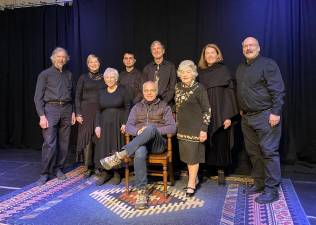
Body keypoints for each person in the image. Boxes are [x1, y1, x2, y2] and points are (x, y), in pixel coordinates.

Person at [99, 81, 176, 210]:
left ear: (156, 92)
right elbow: (128, 126)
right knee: (140, 150)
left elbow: (172, 128)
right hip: (140, 144)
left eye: (152, 90)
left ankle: (121, 154)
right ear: (143, 92)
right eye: (146, 90)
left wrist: (151, 130)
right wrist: (137, 131)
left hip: (158, 145)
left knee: (150, 127)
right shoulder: (136, 107)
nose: (149, 93)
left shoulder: (164, 106)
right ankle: (141, 192)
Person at [236, 37, 285, 204]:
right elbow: (242, 90)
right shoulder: (241, 68)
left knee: (269, 152)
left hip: (266, 115)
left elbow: (278, 90)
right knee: (254, 153)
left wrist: (276, 112)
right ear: (242, 49)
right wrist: (242, 108)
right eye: (245, 46)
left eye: (252, 45)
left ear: (258, 48)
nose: (248, 48)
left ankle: (272, 190)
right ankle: (259, 183)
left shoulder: (268, 64)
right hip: (247, 117)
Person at [34, 47, 76, 185]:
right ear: (53, 58)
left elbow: (73, 95)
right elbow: (37, 98)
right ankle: (45, 173)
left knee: (64, 143)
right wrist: (41, 116)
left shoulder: (69, 74)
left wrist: (73, 112)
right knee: (50, 143)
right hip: (50, 109)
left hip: (66, 109)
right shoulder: (44, 74)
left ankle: (59, 169)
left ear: (66, 59)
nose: (61, 59)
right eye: (58, 56)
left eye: (63, 57)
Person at [198, 44, 239, 184]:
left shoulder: (224, 70)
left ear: (217, 55)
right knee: (206, 140)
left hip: (222, 111)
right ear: (204, 57)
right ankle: (207, 169)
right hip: (206, 112)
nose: (209, 55)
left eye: (212, 52)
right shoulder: (201, 73)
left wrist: (229, 116)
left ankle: (221, 170)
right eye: (207, 53)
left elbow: (231, 94)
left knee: (221, 140)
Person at [175, 60, 211, 197]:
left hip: (195, 129)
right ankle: (194, 178)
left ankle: (191, 183)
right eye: (182, 72)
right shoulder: (177, 87)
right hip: (182, 128)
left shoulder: (199, 88)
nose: (185, 74)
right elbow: (178, 107)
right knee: (186, 157)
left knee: (192, 158)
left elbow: (207, 110)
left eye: (188, 72)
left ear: (193, 73)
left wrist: (204, 129)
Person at [94, 68, 130, 186]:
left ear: (116, 78)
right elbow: (98, 110)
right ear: (104, 80)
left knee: (116, 146)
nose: (109, 79)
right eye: (107, 78)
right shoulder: (101, 91)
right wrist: (97, 126)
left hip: (118, 123)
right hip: (104, 123)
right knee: (104, 147)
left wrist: (125, 123)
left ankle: (117, 173)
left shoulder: (123, 90)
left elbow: (127, 107)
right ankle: (105, 172)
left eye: (112, 77)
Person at [75, 54, 104, 178]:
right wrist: (78, 113)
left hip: (100, 111)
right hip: (85, 111)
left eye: (95, 62)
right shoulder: (83, 77)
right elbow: (77, 96)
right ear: (87, 64)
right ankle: (87, 167)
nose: (93, 64)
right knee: (87, 139)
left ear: (99, 63)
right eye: (91, 62)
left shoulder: (104, 78)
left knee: (98, 139)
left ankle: (98, 166)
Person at [143, 40, 177, 106]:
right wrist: (150, 101)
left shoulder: (171, 67)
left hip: (166, 104)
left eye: (158, 48)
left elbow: (173, 88)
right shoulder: (147, 68)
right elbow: (143, 87)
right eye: (154, 49)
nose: (156, 51)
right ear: (151, 52)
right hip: (150, 105)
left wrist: (164, 102)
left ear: (163, 51)